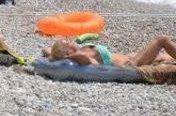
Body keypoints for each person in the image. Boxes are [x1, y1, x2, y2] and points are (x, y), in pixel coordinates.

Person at [46, 36, 176, 67]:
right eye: (66, 43)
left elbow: (47, 50)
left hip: (127, 57)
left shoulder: (79, 49)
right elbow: (92, 64)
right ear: (68, 52)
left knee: (162, 56)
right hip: (132, 63)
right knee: (162, 40)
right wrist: (72, 56)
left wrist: (52, 54)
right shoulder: (81, 55)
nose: (68, 40)